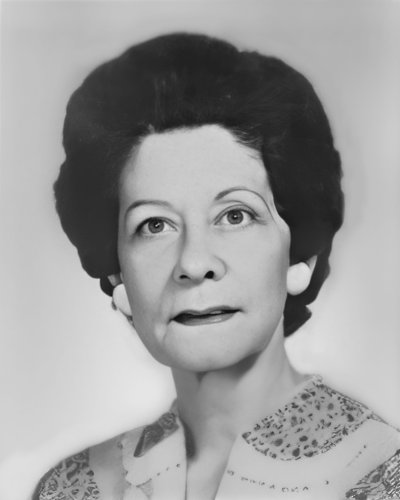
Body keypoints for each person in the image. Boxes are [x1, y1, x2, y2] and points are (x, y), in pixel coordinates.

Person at [33, 33, 400, 499]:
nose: (193, 263)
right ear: (117, 275)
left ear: (300, 256)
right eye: (154, 225)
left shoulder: (379, 476)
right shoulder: (71, 489)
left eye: (235, 216)